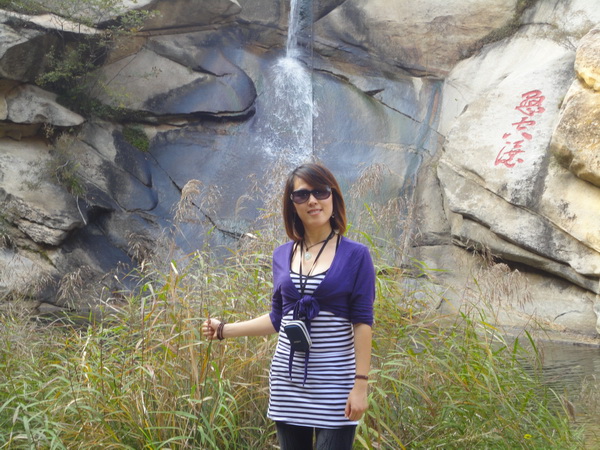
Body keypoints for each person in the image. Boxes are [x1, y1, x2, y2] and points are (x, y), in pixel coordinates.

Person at [203, 163, 375, 450]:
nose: (312, 200)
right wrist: (224, 330)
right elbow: (277, 318)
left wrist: (360, 385)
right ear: (292, 204)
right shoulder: (282, 255)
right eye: (302, 195)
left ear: (333, 197)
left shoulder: (356, 255)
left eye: (320, 192)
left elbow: (362, 322)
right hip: (288, 383)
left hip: (336, 385)